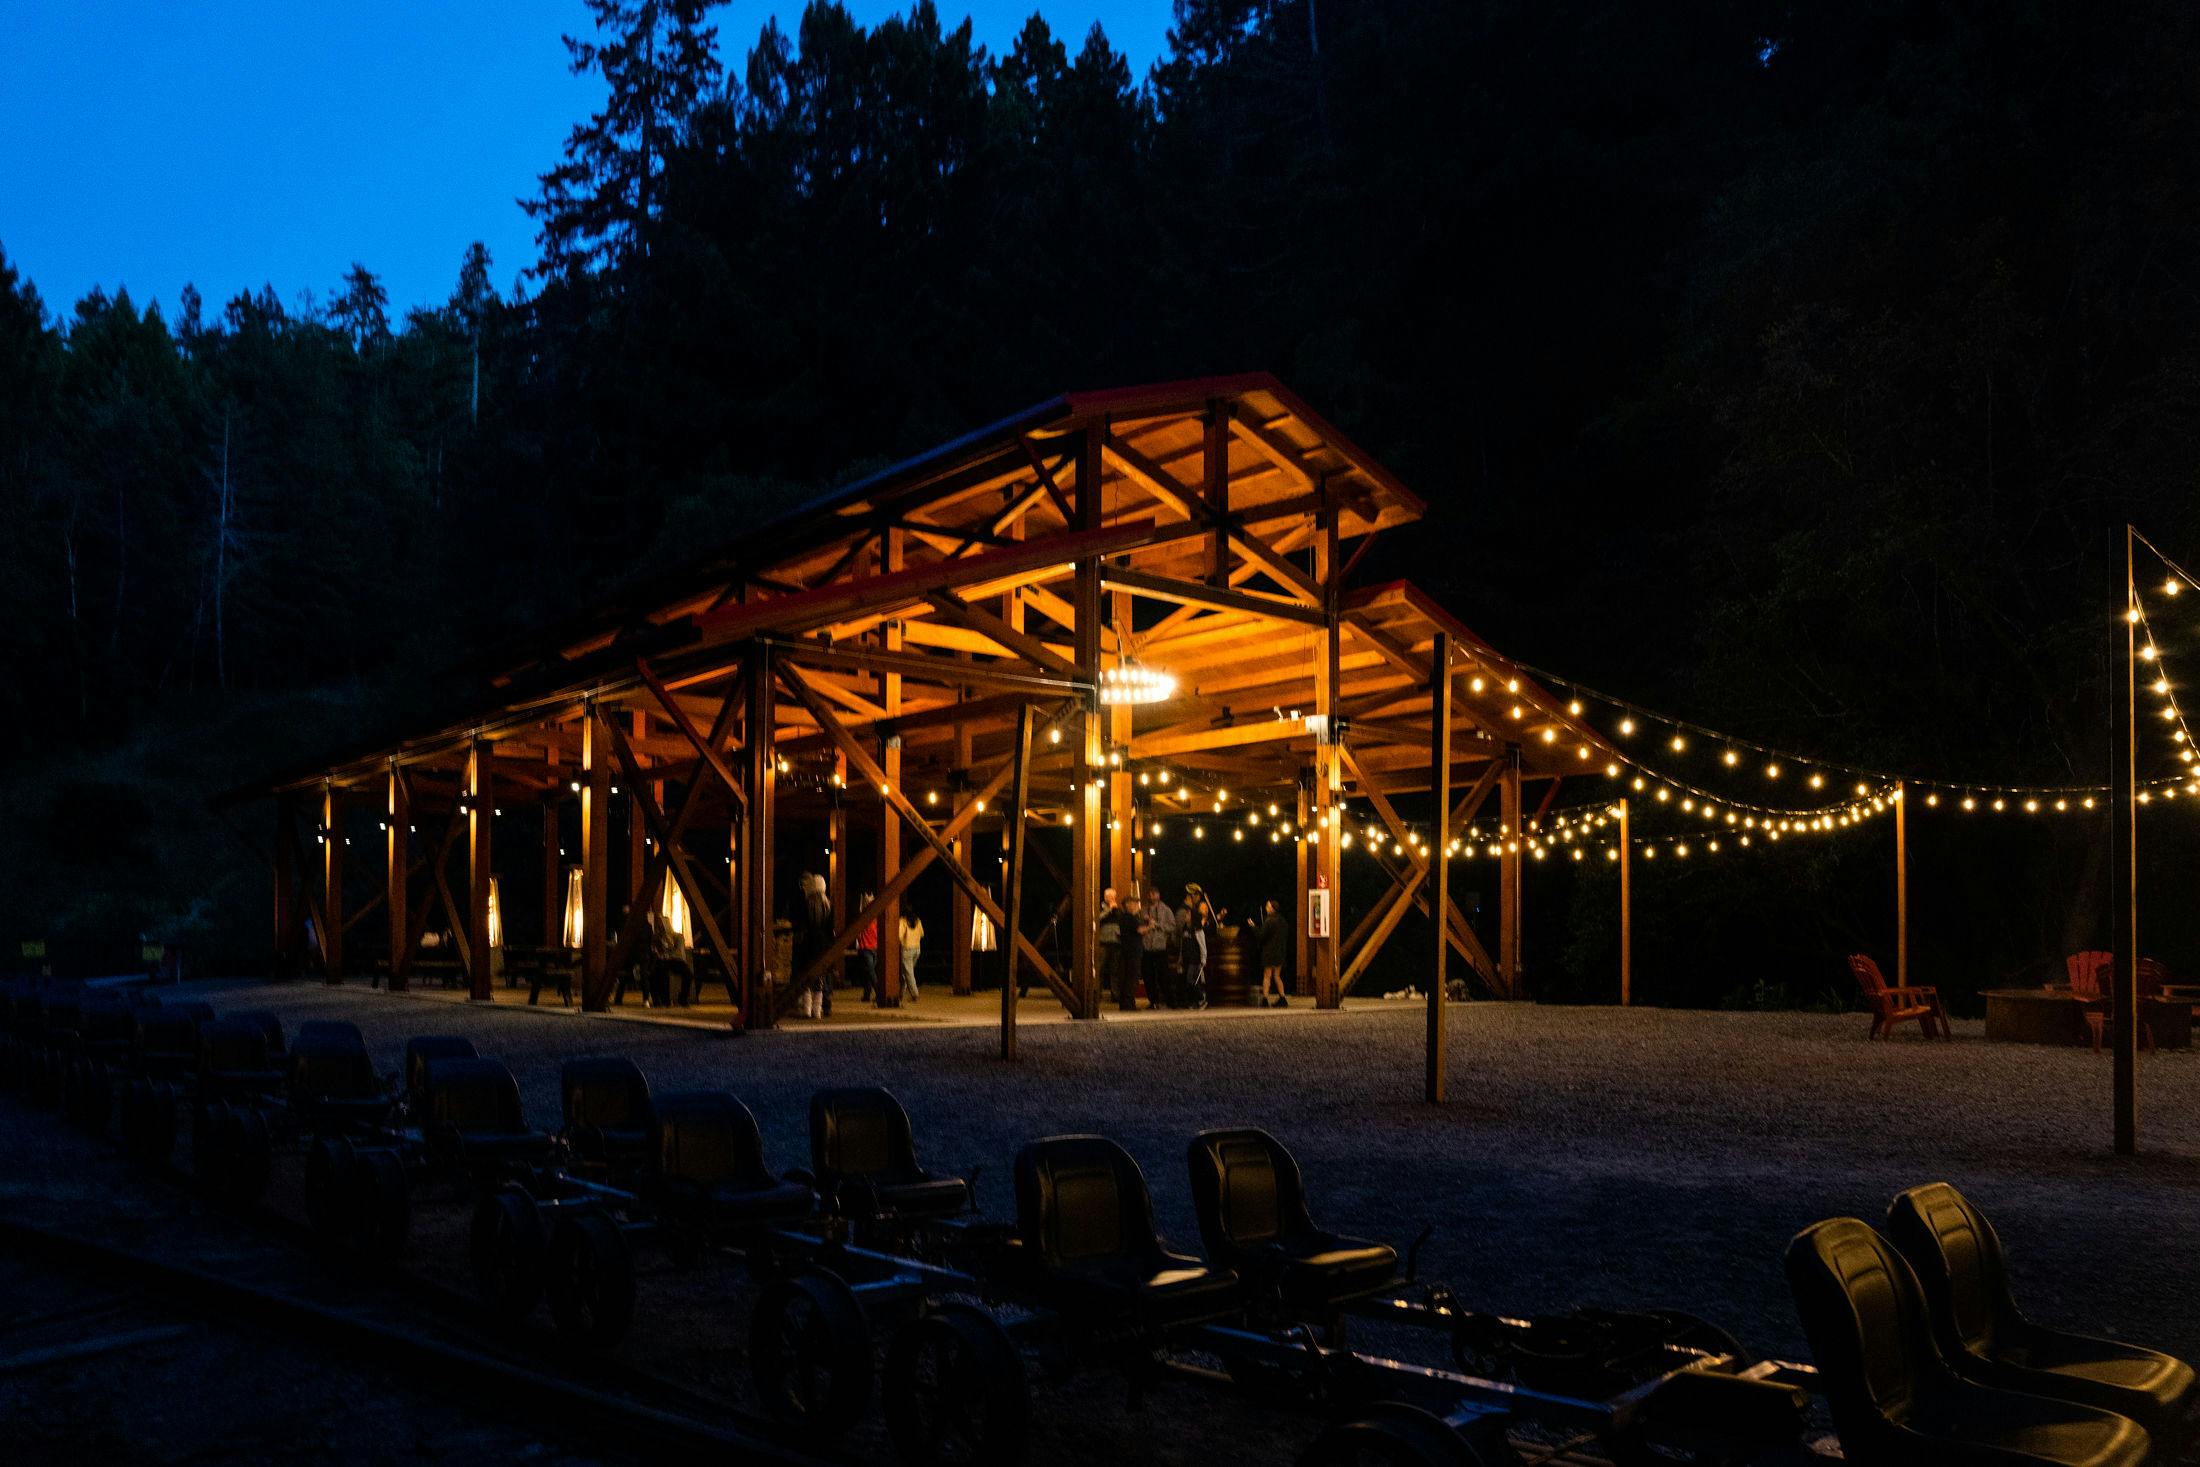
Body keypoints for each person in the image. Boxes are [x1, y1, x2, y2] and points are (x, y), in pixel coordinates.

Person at [797, 872, 832, 1019]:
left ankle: (807, 1008)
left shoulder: (807, 904)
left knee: (806, 975)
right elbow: (830, 928)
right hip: (823, 945)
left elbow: (801, 925)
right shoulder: (827, 905)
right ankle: (817, 1010)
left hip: (807, 943)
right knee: (820, 977)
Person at [1179, 886, 1216, 1010]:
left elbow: (1202, 944)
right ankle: (1195, 1001)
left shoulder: (1197, 929)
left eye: (1188, 914)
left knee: (1191, 980)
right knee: (1189, 980)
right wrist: (1180, 958)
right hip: (1187, 958)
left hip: (1195, 959)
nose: (1186, 915)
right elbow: (1182, 944)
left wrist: (1203, 958)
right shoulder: (1185, 928)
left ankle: (1201, 998)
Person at [1141, 885, 1178, 1008]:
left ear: (1158, 895)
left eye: (1153, 893)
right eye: (1149, 894)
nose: (1151, 896)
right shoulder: (1143, 910)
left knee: (1164, 976)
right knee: (1148, 976)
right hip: (1147, 948)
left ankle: (1171, 1001)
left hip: (1160, 948)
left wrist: (1158, 925)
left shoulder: (1166, 910)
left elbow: (1172, 927)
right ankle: (1153, 1001)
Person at [1254, 897, 1290, 1007]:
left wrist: (1253, 927)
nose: (1266, 908)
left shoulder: (1269, 920)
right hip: (1280, 952)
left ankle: (1265, 999)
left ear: (1272, 908)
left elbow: (1261, 936)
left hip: (1269, 952)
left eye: (1267, 906)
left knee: (1267, 976)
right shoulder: (1283, 921)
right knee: (1277, 976)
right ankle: (1282, 998)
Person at [1116, 894, 1147, 1010]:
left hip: (1126, 951)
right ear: (1128, 905)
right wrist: (1150, 926)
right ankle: (1129, 1004)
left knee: (1126, 977)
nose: (1136, 905)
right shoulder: (1131, 918)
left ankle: (1124, 1003)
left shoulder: (1123, 918)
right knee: (1132, 978)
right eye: (1134, 903)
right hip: (1133, 952)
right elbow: (1139, 930)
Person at [1094, 885, 1123, 1003]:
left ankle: (1115, 995)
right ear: (1105, 897)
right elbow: (1097, 919)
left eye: (1112, 896)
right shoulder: (1100, 908)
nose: (1110, 898)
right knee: (1099, 969)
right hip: (1103, 943)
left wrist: (1115, 910)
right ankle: (1097, 994)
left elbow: (1122, 922)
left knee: (1115, 970)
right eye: (1108, 896)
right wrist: (1109, 910)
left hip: (1116, 943)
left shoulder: (1119, 910)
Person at [854, 894, 879, 1002]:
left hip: (868, 947)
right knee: (869, 971)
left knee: (869, 972)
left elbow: (858, 933)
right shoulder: (875, 916)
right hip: (871, 947)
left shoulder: (864, 916)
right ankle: (870, 993)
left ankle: (872, 993)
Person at [898, 910, 924, 999]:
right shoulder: (918, 921)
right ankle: (901, 993)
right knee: (907, 971)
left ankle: (914, 993)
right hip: (917, 949)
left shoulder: (903, 921)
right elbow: (922, 934)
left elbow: (899, 935)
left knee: (909, 973)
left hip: (907, 949)